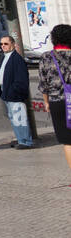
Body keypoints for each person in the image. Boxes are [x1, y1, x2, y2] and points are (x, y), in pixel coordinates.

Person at [38, 24, 71, 181]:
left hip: (58, 102)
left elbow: (43, 85)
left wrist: (46, 103)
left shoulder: (46, 57)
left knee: (68, 142)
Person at [0, 34, 34, 149]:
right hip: (6, 91)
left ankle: (26, 141)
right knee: (13, 118)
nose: (3, 46)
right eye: (1, 44)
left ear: (13, 44)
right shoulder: (5, 57)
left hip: (14, 94)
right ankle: (20, 139)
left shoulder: (17, 59)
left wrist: (14, 91)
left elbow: (22, 80)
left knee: (19, 118)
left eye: (6, 44)